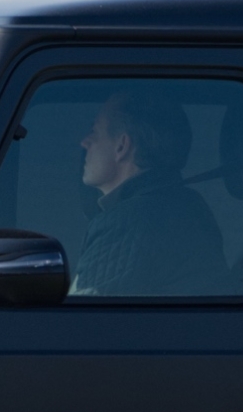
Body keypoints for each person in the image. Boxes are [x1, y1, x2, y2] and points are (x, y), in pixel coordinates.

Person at [68, 92, 227, 297]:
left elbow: (82, 320)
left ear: (121, 146)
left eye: (94, 132)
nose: (84, 142)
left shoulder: (129, 221)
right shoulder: (186, 206)